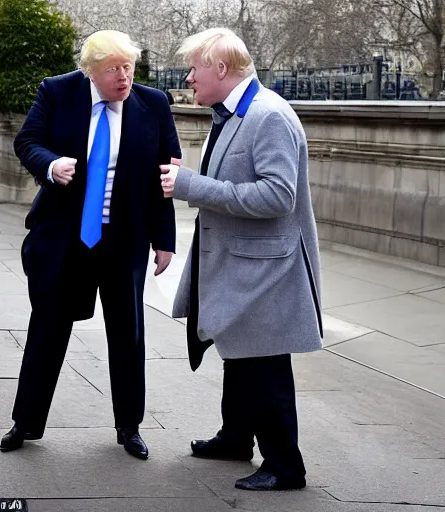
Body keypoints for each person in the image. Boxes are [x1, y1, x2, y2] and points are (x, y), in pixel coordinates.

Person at [0, 30, 181, 460]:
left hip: (124, 240)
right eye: (113, 70)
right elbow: (27, 141)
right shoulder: (58, 91)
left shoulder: (153, 103)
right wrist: (50, 164)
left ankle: (130, 427)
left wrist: (164, 240)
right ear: (90, 72)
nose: (123, 78)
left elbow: (166, 175)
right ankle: (24, 423)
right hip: (65, 238)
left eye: (129, 68)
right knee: (47, 329)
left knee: (127, 334)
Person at [160, 28, 323, 490]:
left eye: (194, 68)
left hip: (267, 267)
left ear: (221, 69)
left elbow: (278, 196)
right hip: (243, 261)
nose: (188, 77)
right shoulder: (234, 112)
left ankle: (285, 467)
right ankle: (235, 439)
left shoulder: (268, 116)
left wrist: (192, 186)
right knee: (239, 351)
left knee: (264, 365)